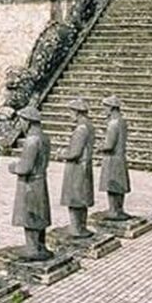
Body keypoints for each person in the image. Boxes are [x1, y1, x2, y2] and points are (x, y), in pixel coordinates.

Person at [9, 105, 52, 260]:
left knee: (30, 215)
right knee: (40, 214)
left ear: (27, 121)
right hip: (41, 180)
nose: (20, 124)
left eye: (21, 120)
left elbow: (25, 167)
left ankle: (32, 248)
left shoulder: (31, 141)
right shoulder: (44, 137)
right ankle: (40, 245)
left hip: (30, 183)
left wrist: (14, 167)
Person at [59, 97, 95, 238]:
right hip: (85, 165)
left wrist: (62, 153)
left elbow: (75, 153)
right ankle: (82, 226)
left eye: (71, 111)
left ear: (77, 112)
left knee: (74, 198)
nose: (70, 115)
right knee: (82, 197)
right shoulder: (90, 126)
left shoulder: (81, 129)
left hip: (77, 167)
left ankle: (76, 228)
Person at [99, 95, 132, 220]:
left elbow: (109, 145)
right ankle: (119, 209)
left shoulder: (113, 123)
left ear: (112, 108)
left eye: (105, 107)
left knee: (112, 186)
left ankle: (113, 210)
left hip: (112, 158)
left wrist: (99, 148)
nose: (104, 110)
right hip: (120, 157)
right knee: (120, 185)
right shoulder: (122, 121)